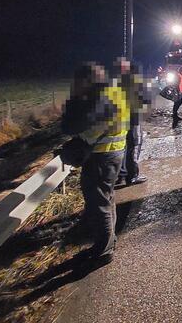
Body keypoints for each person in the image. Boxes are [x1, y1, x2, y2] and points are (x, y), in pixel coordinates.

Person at [62, 62, 129, 266]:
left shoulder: (101, 98)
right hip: (113, 153)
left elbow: (76, 127)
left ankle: (103, 251)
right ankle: (109, 242)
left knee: (99, 203)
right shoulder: (114, 91)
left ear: (87, 80)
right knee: (107, 199)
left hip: (101, 156)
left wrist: (75, 101)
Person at [114, 58, 150, 187]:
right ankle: (133, 176)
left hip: (119, 123)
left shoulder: (115, 83)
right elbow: (144, 100)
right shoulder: (136, 82)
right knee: (134, 146)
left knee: (122, 148)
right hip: (133, 120)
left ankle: (120, 175)